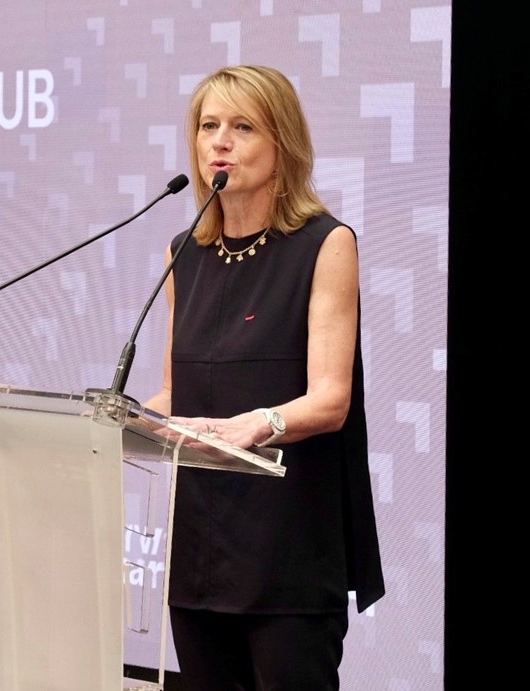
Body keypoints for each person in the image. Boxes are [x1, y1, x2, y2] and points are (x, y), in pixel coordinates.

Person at [142, 65, 384, 690]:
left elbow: (330, 400)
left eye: (243, 126)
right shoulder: (183, 253)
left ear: (284, 143)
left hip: (288, 549)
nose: (220, 141)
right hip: (200, 549)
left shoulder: (324, 244)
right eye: (208, 126)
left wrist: (257, 424)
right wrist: (117, 422)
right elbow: (174, 393)